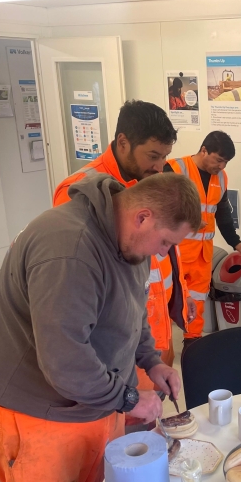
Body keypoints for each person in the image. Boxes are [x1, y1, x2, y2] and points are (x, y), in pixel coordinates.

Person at [0, 172, 202, 482]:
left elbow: (132, 312)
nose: (165, 253)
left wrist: (152, 362)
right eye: (167, 242)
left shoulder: (131, 244)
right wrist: (132, 400)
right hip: (35, 412)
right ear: (143, 218)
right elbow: (65, 363)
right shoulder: (70, 249)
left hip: (93, 402)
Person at [53, 100, 193, 368]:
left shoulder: (150, 181)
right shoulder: (78, 192)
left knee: (155, 405)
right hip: (116, 343)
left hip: (153, 329)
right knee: (128, 406)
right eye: (153, 156)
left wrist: (181, 300)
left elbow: (166, 251)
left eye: (165, 156)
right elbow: (76, 290)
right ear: (123, 142)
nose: (160, 165)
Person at [168, 131, 241, 344]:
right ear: (204, 150)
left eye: (226, 162)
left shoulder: (220, 177)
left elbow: (222, 212)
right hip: (173, 252)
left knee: (197, 299)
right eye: (219, 159)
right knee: (167, 298)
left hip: (202, 255)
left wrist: (234, 240)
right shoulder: (175, 169)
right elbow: (158, 208)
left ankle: (191, 341)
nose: (222, 166)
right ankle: (159, 346)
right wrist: (188, 220)